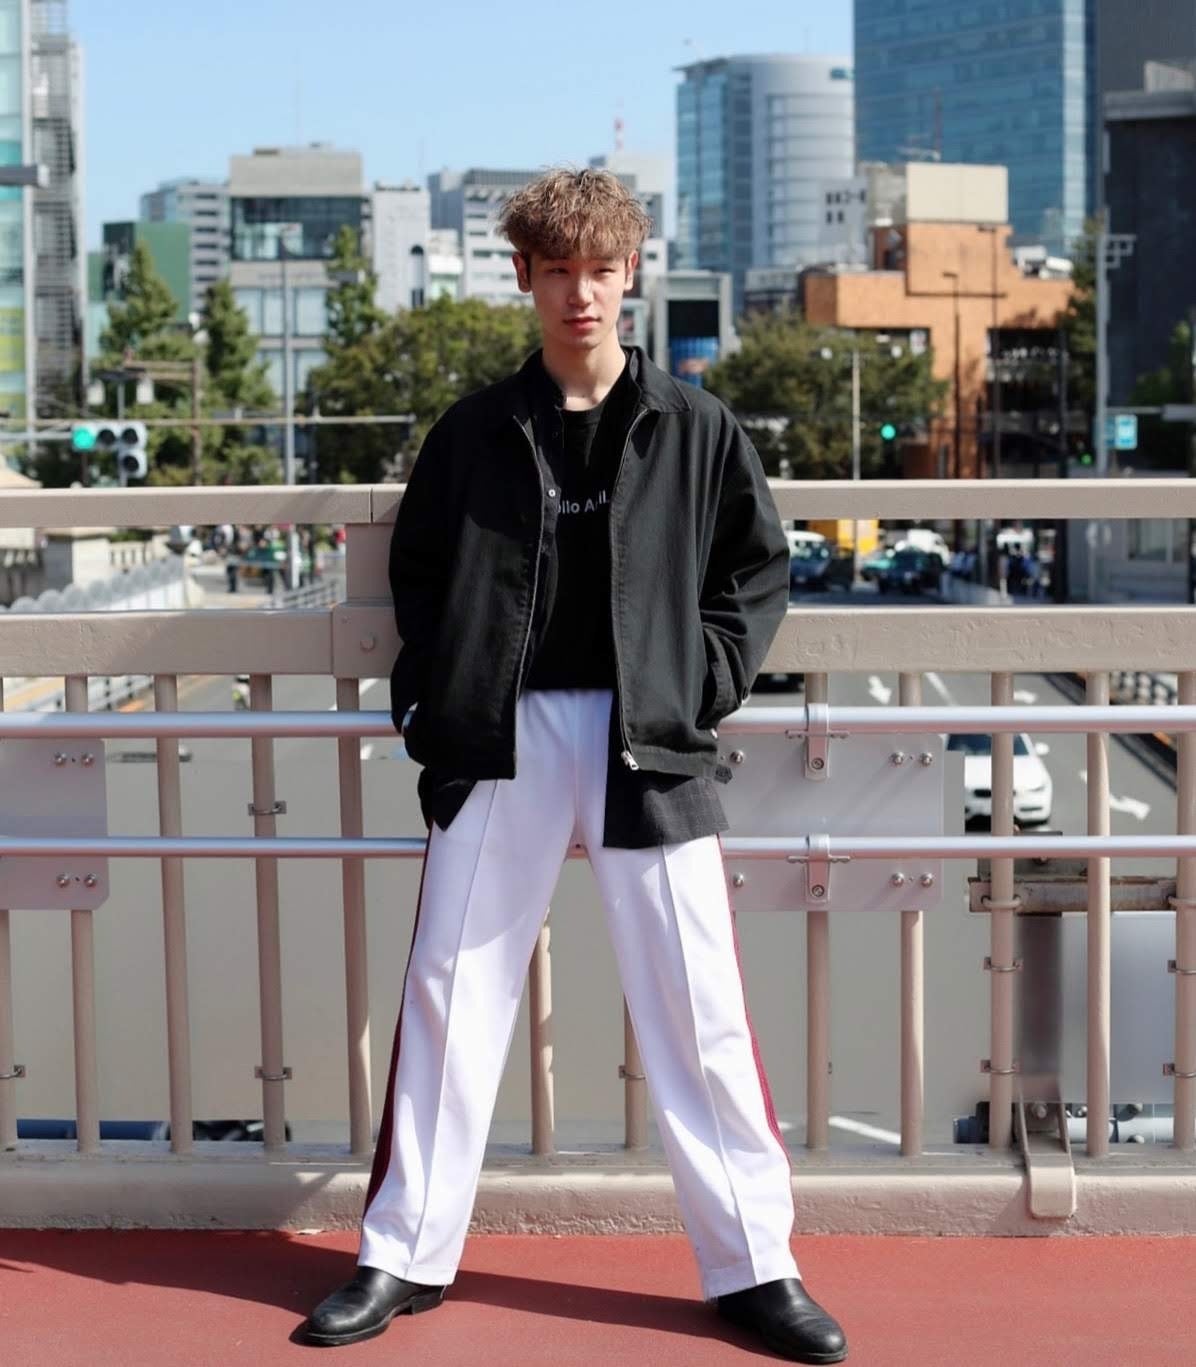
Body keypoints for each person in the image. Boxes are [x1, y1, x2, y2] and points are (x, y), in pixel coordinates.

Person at [302, 168, 847, 1364]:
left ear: (629, 274)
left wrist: (698, 682)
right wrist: (430, 703)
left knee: (697, 1003)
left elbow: (754, 574)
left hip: (648, 737)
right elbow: (419, 580)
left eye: (600, 269)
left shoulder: (695, 426)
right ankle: (403, 1252)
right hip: (497, 733)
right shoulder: (473, 431)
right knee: (450, 991)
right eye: (557, 270)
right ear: (524, 278)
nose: (580, 293)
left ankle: (754, 1264)